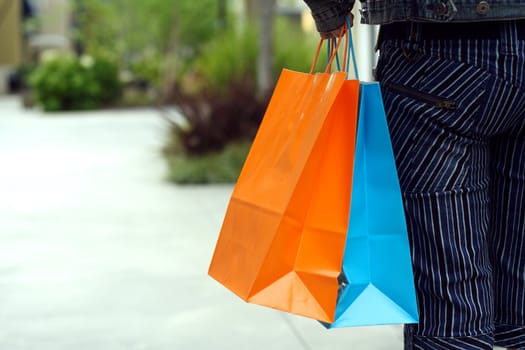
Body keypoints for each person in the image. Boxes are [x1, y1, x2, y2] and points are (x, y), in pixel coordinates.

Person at [303, 1, 525, 349]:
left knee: (450, 304)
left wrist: (331, 11)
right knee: (520, 289)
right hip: (443, 56)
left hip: (436, 56)